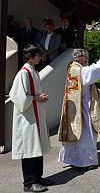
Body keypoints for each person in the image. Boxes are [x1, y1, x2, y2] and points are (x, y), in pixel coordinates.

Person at [58, 48, 100, 171]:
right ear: (81, 58)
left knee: (75, 134)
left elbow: (84, 85)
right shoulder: (79, 70)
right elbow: (94, 70)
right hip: (83, 107)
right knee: (87, 134)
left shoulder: (71, 68)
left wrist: (93, 89)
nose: (86, 60)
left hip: (73, 106)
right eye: (85, 58)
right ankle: (85, 162)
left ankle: (73, 159)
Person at [9, 45, 53, 192]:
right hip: (27, 119)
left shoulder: (33, 71)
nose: (40, 57)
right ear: (30, 56)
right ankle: (29, 183)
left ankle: (38, 178)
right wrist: (36, 97)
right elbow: (16, 95)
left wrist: (39, 97)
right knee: (29, 148)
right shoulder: (24, 73)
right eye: (38, 55)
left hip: (34, 116)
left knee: (36, 147)